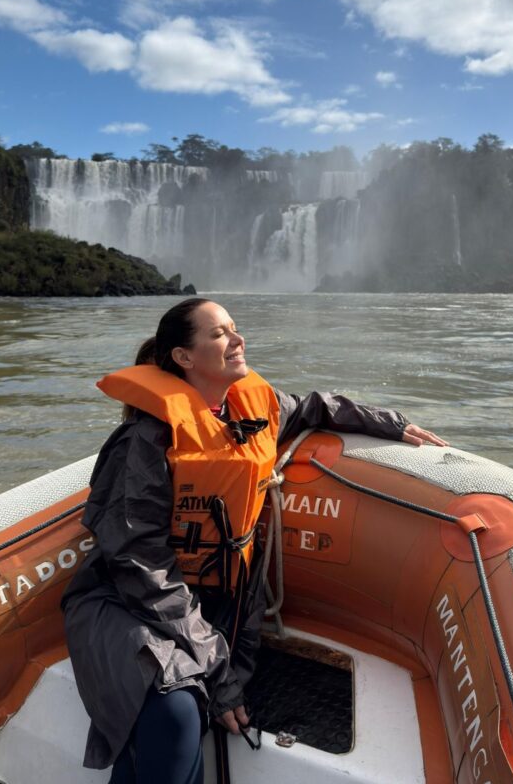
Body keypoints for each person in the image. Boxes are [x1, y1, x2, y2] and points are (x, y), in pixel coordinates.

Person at [61, 297, 447, 784]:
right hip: (128, 602)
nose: (238, 340)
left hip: (215, 598)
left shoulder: (253, 408)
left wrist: (390, 422)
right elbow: (139, 566)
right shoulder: (145, 440)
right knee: (175, 708)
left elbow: (315, 406)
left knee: (188, 709)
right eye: (219, 333)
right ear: (183, 357)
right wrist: (217, 667)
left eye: (234, 328)